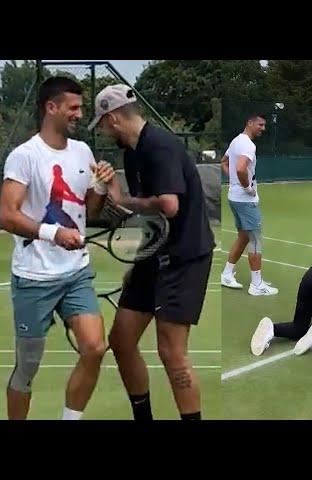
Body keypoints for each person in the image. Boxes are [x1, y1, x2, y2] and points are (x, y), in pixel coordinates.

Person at [88, 84, 215, 419]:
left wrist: (121, 198)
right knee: (122, 340)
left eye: (101, 123)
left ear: (113, 119)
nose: (102, 130)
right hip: (155, 254)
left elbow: (169, 205)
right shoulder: (132, 152)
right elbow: (153, 216)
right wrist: (140, 260)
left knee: (172, 352)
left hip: (185, 258)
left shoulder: (160, 146)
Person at [0, 76, 118, 420]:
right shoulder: (24, 156)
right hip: (34, 278)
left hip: (75, 273)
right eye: (74, 107)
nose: (80, 114)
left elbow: (90, 212)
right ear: (51, 108)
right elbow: (7, 215)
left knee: (95, 347)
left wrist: (100, 185)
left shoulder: (82, 151)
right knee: (27, 369)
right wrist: (54, 234)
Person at [220, 114, 278, 296]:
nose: (263, 128)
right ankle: (256, 285)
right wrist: (246, 187)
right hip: (245, 200)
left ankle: (227, 274)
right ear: (250, 123)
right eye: (260, 124)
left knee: (244, 237)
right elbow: (239, 167)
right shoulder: (248, 145)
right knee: (255, 241)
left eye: (264, 125)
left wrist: (235, 182)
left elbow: (224, 162)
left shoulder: (236, 140)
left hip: (234, 197)